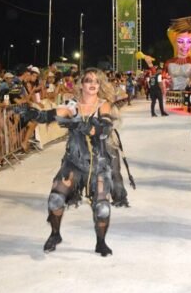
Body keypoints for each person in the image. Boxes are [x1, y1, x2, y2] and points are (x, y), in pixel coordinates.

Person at [20, 68, 119, 256]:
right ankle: (55, 234)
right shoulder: (72, 106)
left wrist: (90, 127)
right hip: (74, 163)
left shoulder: (103, 105)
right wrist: (33, 113)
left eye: (96, 81)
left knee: (102, 208)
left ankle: (101, 242)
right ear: (81, 84)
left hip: (98, 164)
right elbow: (49, 115)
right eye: (88, 80)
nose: (92, 84)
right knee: (55, 199)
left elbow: (105, 128)